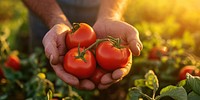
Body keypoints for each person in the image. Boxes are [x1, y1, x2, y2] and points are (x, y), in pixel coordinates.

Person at [22, 0, 143, 90]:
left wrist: (110, 16)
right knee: (42, 72)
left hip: (103, 6)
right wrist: (55, 20)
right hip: (45, 8)